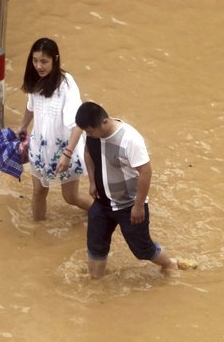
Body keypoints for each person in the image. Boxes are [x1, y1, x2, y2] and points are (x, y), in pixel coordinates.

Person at [75, 101, 192, 279]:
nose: (88, 135)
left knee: (142, 249)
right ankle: (96, 285)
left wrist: (138, 206)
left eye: (90, 131)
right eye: (86, 132)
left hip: (129, 205)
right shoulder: (93, 136)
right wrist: (91, 181)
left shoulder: (130, 138)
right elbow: (88, 153)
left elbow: (146, 172)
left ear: (105, 122)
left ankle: (170, 263)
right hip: (102, 202)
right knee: (95, 247)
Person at [17, 38, 92, 220]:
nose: (39, 66)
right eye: (35, 61)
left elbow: (78, 124)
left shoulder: (66, 85)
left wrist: (67, 154)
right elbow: (31, 105)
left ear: (55, 60)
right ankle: (37, 233)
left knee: (71, 197)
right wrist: (23, 126)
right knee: (38, 192)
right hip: (40, 146)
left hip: (64, 148)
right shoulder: (35, 79)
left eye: (44, 61)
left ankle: (103, 215)